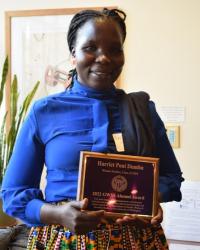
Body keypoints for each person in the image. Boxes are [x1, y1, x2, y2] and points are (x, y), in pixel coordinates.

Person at [1, 8, 184, 249]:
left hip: (136, 240)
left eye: (114, 49)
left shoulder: (143, 110)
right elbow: (13, 194)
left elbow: (171, 177)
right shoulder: (44, 112)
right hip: (62, 241)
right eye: (90, 48)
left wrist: (149, 202)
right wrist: (57, 214)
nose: (104, 58)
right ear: (73, 54)